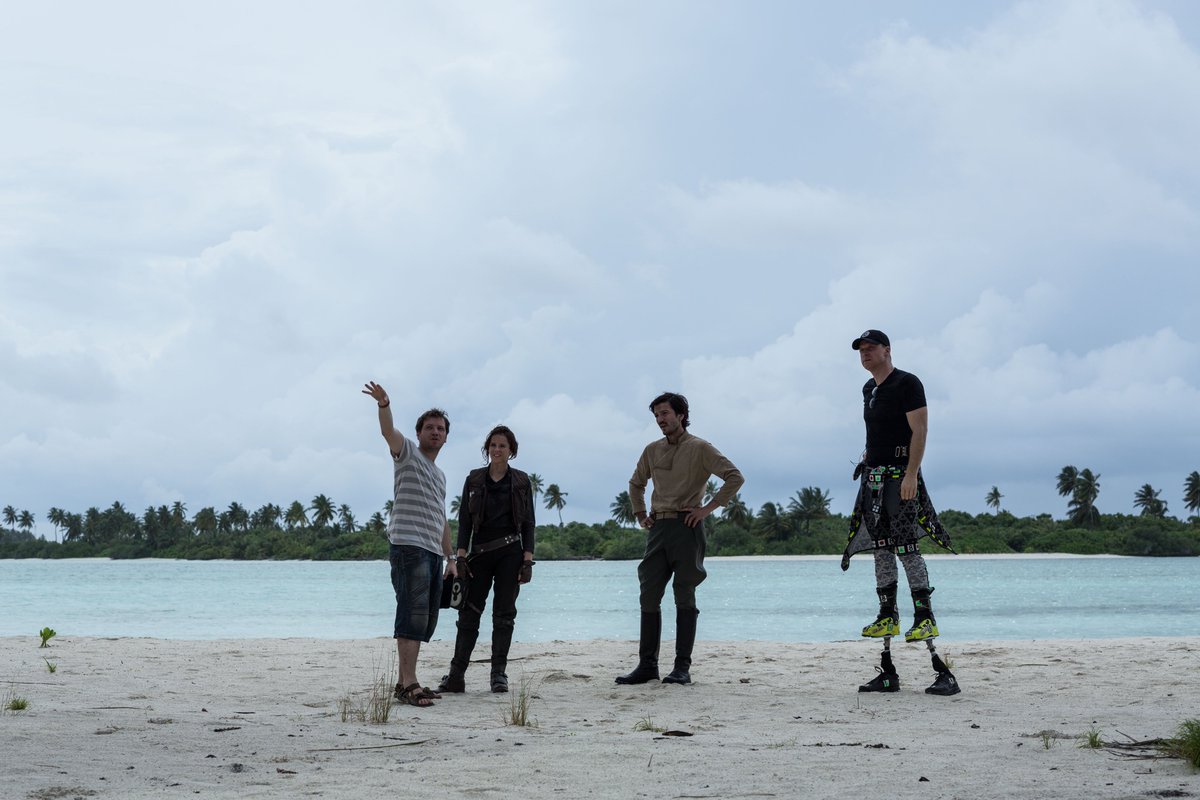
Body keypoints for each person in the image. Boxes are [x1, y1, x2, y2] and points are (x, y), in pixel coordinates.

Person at [840, 330, 960, 696]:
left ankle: (927, 626)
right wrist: (868, 456)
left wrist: (911, 474)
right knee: (881, 552)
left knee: (907, 549)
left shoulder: (908, 383)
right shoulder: (869, 389)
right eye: (861, 350)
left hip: (900, 479)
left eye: (871, 348)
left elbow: (919, 431)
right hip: (874, 481)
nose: (865, 354)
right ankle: (888, 661)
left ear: (887, 350)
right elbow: (877, 433)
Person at [617, 391, 744, 686]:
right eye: (656, 415)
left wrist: (706, 509)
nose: (660, 420)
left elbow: (734, 477)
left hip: (687, 527)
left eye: (665, 413)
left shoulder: (700, 447)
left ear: (681, 415)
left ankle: (681, 668)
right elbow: (636, 484)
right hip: (658, 528)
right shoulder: (652, 450)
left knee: (684, 593)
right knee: (649, 593)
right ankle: (647, 666)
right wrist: (640, 514)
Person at [362, 380, 457, 708]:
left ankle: (405, 683)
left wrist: (451, 558)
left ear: (446, 436)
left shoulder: (440, 475)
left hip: (432, 551)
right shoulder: (407, 453)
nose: (435, 432)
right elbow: (388, 432)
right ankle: (410, 682)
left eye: (441, 428)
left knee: (425, 618)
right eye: (430, 427)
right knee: (411, 613)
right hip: (408, 545)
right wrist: (384, 405)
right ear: (419, 433)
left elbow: (442, 518)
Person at [437, 425, 536, 695]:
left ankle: (498, 676)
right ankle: (456, 675)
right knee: (468, 614)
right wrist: (460, 556)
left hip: (511, 553)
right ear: (487, 449)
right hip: (478, 555)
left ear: (511, 450)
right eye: (493, 445)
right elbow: (465, 520)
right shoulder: (474, 479)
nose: (497, 450)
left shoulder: (521, 481)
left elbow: (529, 522)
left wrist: (527, 560)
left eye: (502, 445)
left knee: (504, 616)